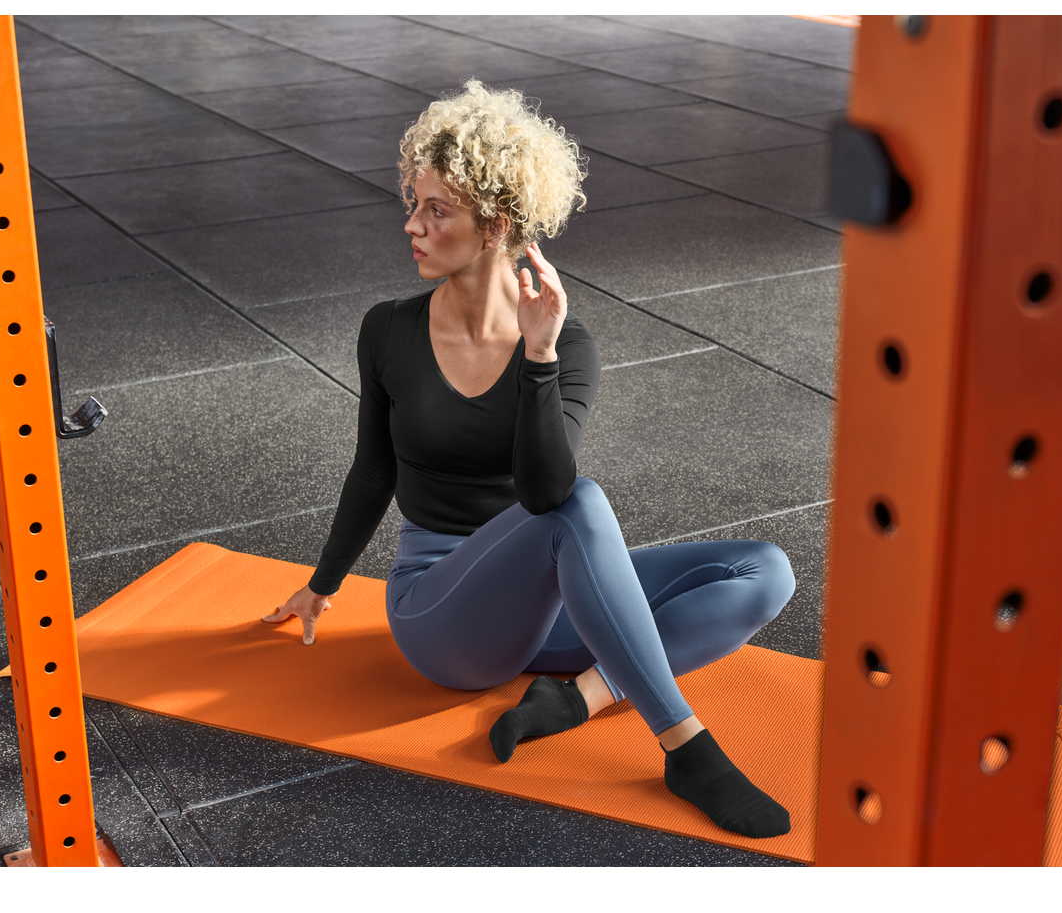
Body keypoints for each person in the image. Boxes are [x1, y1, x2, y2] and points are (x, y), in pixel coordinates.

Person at [264, 79, 796, 839]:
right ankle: (687, 747)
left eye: (435, 209)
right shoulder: (387, 329)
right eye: (412, 204)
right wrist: (321, 584)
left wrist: (539, 356)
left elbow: (542, 486)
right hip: (443, 616)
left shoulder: (566, 344)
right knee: (581, 508)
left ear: (495, 225)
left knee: (766, 571)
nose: (412, 225)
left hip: (545, 610)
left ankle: (577, 697)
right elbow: (374, 470)